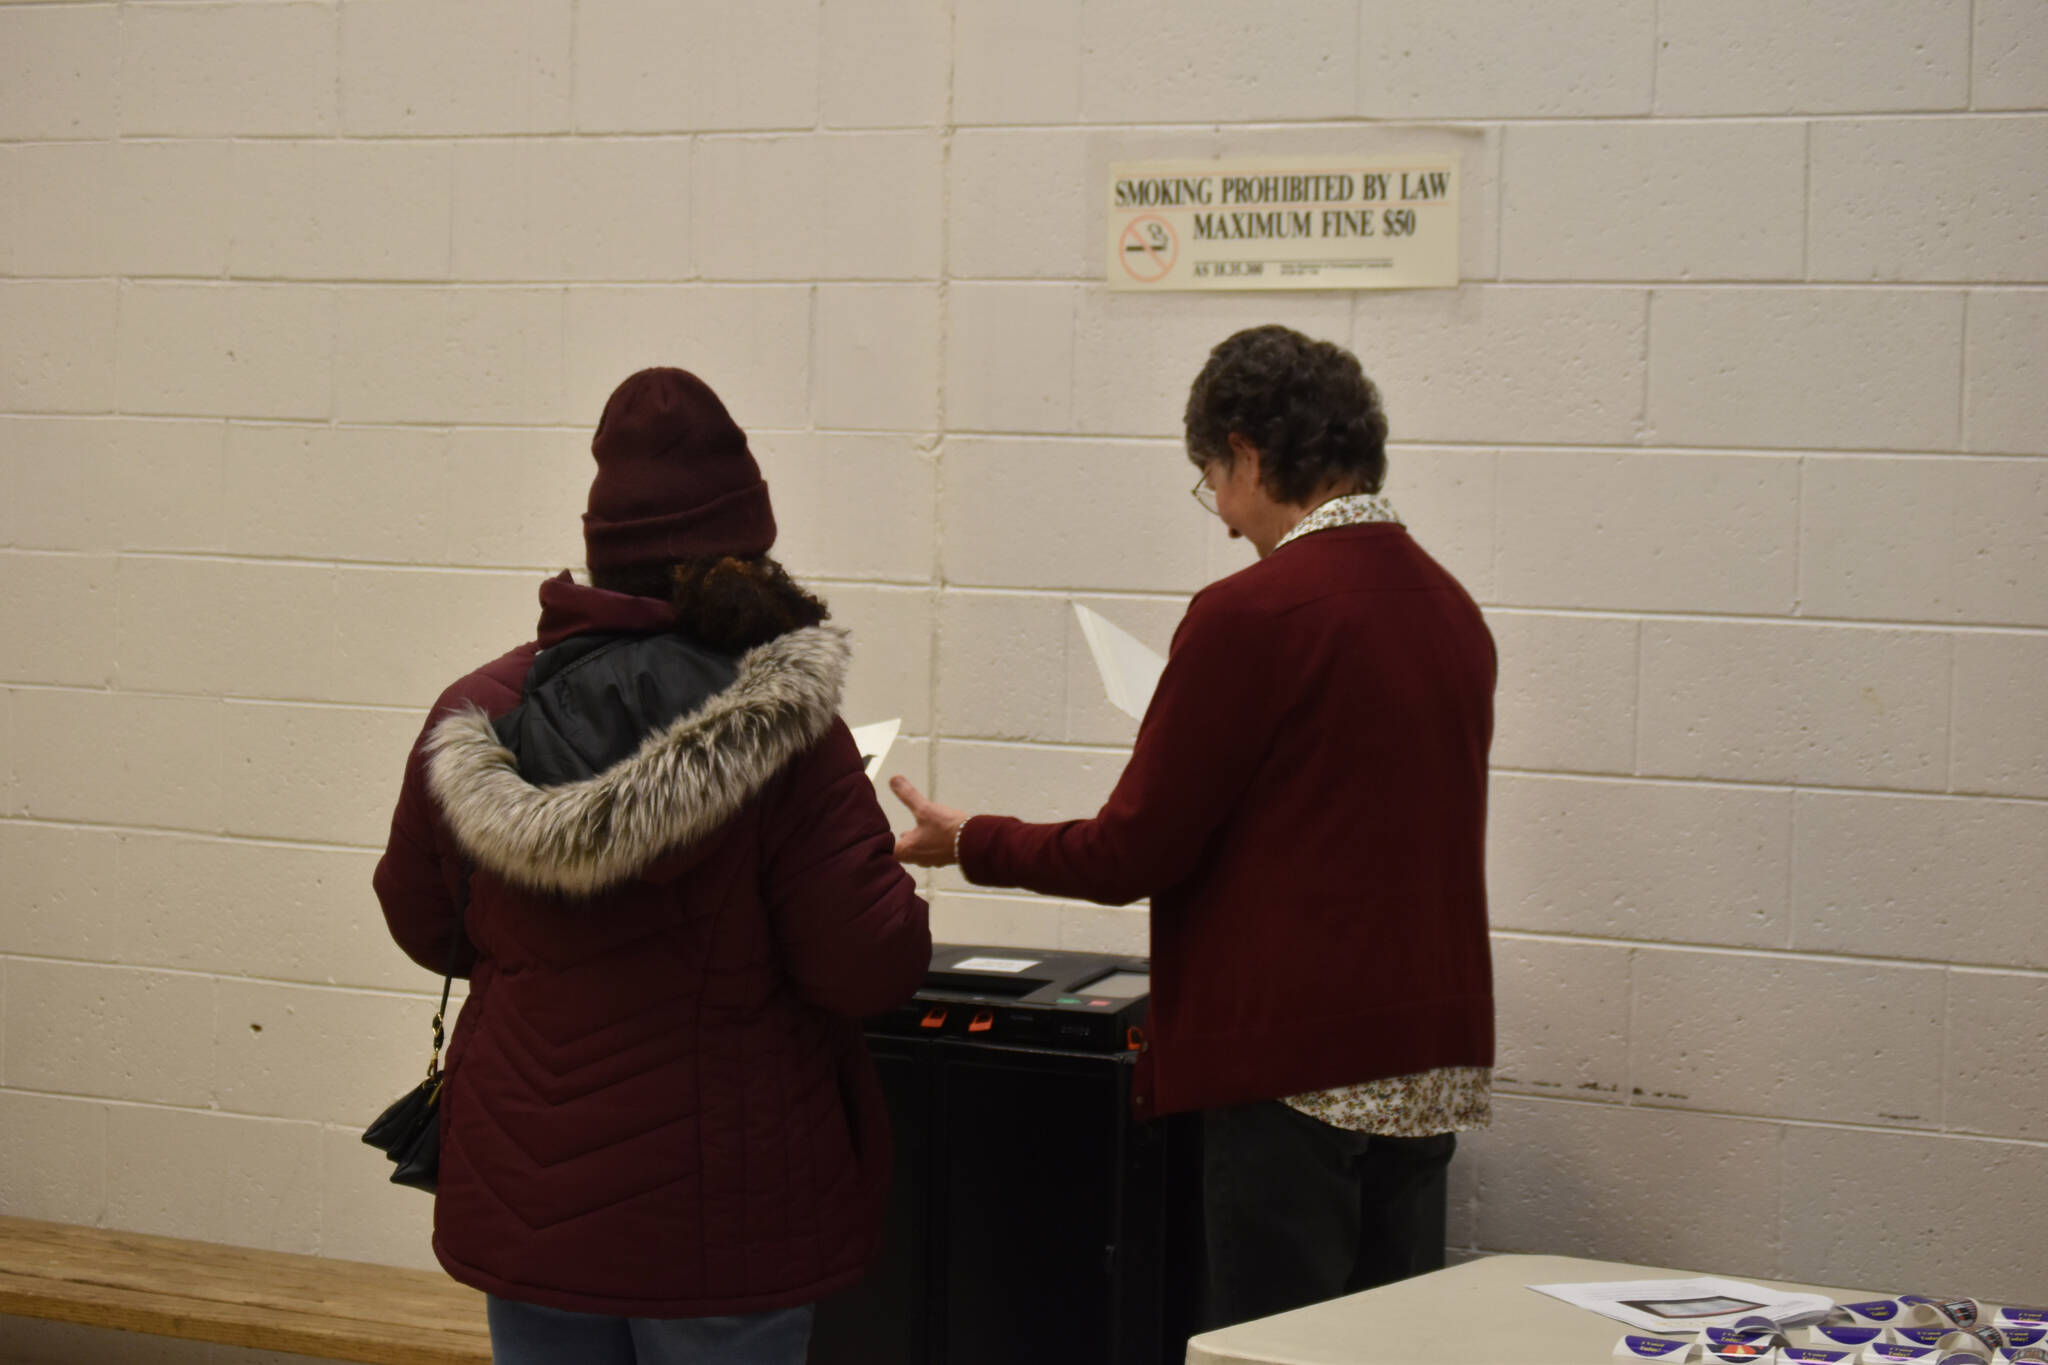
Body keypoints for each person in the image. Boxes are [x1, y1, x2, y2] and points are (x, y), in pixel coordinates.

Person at [892, 324, 1496, 1330]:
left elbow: (1131, 852)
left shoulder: (1252, 615)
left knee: (1269, 1351)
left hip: (1288, 1067)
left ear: (1248, 453)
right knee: (1389, 1350)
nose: (1219, 517)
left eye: (1211, 479)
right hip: (1426, 1067)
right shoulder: (1448, 609)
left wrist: (970, 840)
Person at [374, 367, 930, 1365]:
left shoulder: (478, 711)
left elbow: (423, 923)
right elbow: (865, 964)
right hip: (725, 1206)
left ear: (601, 547)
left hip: (527, 1194)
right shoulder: (790, 730)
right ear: (740, 548)